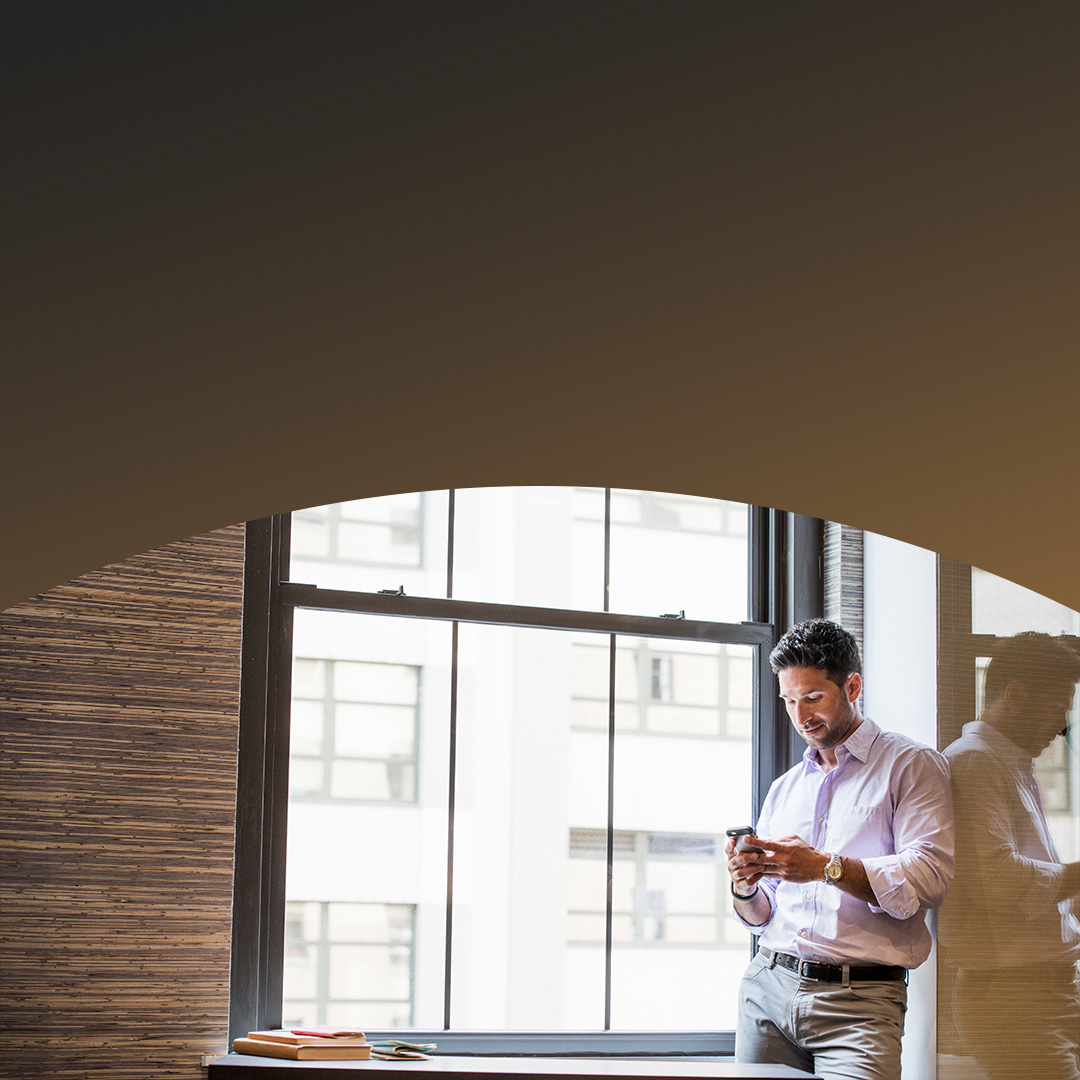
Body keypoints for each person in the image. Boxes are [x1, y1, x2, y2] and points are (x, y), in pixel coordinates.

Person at [727, 618, 954, 1080]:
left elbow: (931, 876)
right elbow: (763, 914)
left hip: (861, 1006)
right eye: (789, 701)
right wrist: (744, 886)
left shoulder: (911, 765)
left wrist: (823, 867)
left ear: (852, 686)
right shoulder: (785, 789)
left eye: (813, 698)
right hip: (767, 988)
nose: (800, 716)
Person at [939, 631, 1080, 1080]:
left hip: (1044, 990)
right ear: (1016, 694)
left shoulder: (1008, 764)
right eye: (1057, 707)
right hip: (1013, 998)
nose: (1062, 726)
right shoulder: (975, 763)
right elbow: (999, 880)